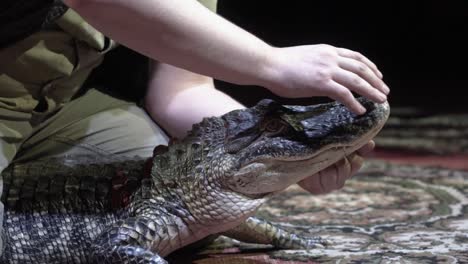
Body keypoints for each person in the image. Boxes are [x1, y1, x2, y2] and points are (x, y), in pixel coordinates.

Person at [0, 0, 389, 254]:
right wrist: (269, 63)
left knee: (175, 188)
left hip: (55, 105)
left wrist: (302, 159)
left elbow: (182, 91)